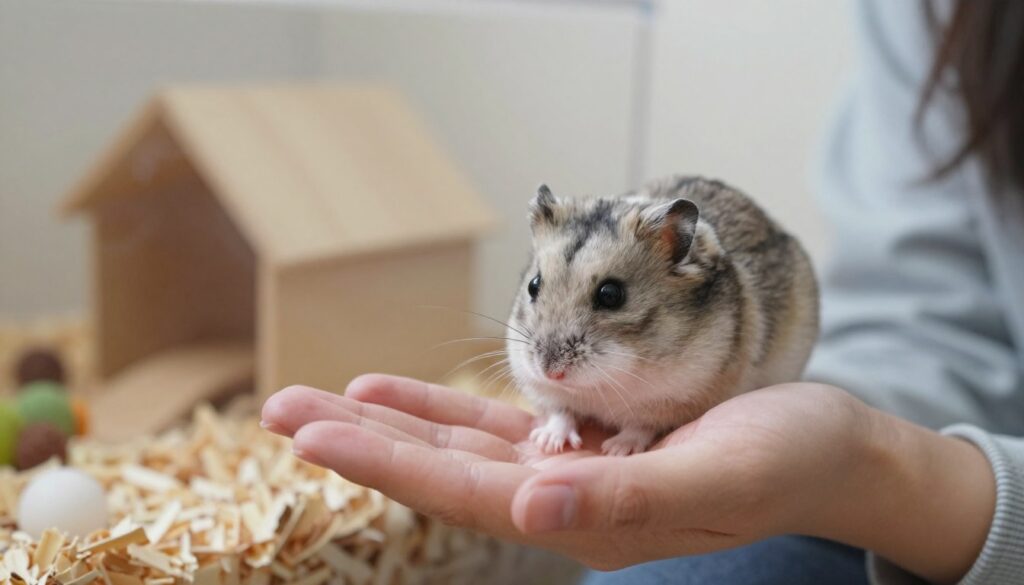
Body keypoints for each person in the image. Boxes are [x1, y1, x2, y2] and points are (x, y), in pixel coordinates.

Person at [260, 1, 1024, 583]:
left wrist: (879, 468)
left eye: (608, 298)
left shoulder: (707, 314)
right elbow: (927, 312)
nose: (550, 351)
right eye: (537, 290)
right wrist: (559, 412)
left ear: (680, 265)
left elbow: (706, 377)